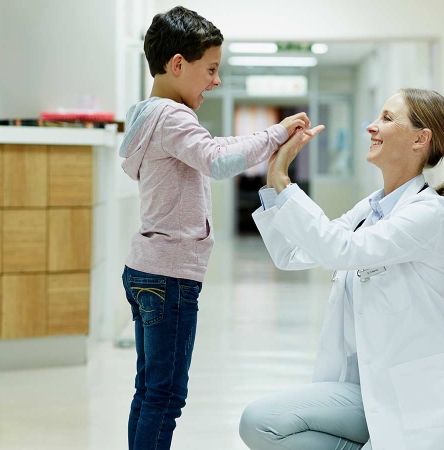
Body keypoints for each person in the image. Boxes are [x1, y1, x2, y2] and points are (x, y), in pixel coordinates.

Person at [240, 89, 444, 450]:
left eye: (387, 118)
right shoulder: (369, 210)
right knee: (261, 422)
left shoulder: (428, 213)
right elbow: (291, 254)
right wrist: (273, 181)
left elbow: (341, 250)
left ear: (421, 138)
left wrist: (284, 181)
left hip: (418, 400)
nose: (371, 126)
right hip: (367, 388)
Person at [119, 6, 313, 450]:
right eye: (210, 69)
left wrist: (272, 134)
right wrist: (275, 136)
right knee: (166, 396)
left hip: (146, 268)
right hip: (170, 275)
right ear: (178, 64)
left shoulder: (149, 116)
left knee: (149, 391)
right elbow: (219, 160)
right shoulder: (173, 117)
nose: (216, 81)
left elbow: (212, 147)